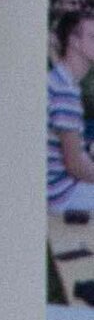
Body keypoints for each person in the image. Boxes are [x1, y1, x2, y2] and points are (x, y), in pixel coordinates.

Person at [55, 13, 94, 218]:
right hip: (63, 196)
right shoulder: (64, 90)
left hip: (67, 188)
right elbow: (75, 166)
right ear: (74, 41)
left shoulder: (62, 80)